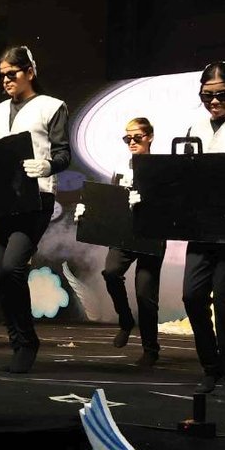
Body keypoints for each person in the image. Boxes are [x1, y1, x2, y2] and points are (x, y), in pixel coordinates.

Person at [148, 62, 225, 395]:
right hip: (202, 225)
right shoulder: (195, 127)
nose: (214, 101)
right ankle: (211, 367)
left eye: (222, 95)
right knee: (192, 295)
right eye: (207, 95)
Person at [0, 45, 71, 373]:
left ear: (29, 72)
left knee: (12, 268)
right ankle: (18, 343)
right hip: (5, 200)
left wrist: (47, 165)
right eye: (2, 75)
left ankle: (28, 342)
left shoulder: (51, 106)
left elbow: (63, 153)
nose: (6, 80)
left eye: (12, 73)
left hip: (36, 198)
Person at [76, 117, 164, 367]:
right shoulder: (121, 166)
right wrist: (88, 211)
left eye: (137, 137)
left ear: (150, 137)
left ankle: (150, 349)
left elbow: (171, 203)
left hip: (151, 234)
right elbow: (110, 200)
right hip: (124, 233)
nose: (132, 142)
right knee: (111, 272)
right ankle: (125, 319)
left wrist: (148, 202)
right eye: (127, 138)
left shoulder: (160, 167)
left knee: (145, 293)